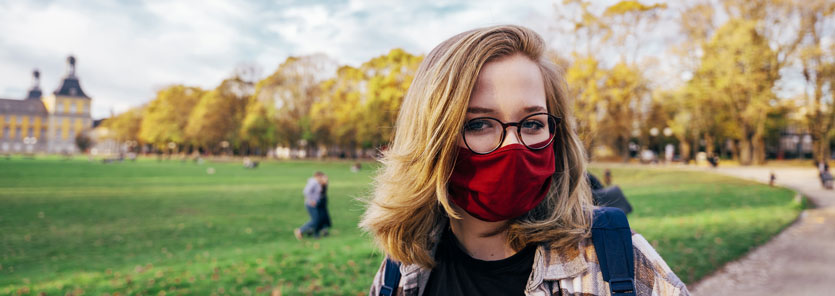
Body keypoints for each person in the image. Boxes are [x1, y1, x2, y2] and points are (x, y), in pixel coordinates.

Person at [361, 25, 688, 295]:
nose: (514, 145)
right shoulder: (401, 272)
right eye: (478, 124)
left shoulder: (618, 261)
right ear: (431, 140)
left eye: (532, 123)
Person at [295, 171, 327, 239]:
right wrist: (311, 200)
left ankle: (312, 232)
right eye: (321, 177)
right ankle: (300, 230)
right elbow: (306, 191)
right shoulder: (313, 182)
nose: (322, 179)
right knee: (315, 220)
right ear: (318, 176)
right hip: (311, 204)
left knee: (317, 219)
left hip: (315, 203)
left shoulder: (317, 182)